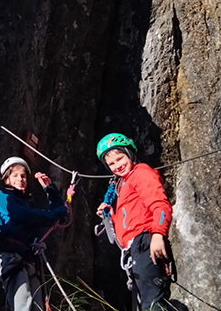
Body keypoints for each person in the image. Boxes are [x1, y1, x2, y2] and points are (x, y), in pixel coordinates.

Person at [95, 133, 174, 311]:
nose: (117, 166)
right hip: (135, 248)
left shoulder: (141, 173)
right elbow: (130, 221)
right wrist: (111, 216)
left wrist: (158, 235)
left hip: (145, 243)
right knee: (146, 303)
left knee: (152, 304)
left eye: (120, 158)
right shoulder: (123, 185)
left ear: (129, 153)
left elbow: (160, 205)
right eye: (111, 164)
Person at [0, 157, 67, 311]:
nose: (20, 179)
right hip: (11, 257)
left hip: (27, 259)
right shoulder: (3, 196)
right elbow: (24, 215)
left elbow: (57, 213)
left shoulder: (27, 202)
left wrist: (50, 190)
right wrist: (54, 215)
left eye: (23, 176)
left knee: (37, 306)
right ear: (6, 179)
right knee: (23, 305)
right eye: (15, 176)